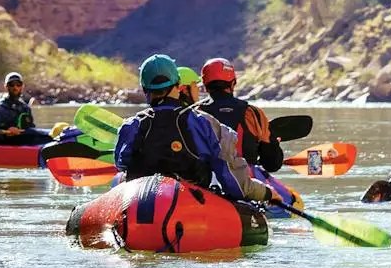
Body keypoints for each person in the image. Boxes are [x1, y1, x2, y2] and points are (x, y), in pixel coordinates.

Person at [114, 54, 282, 205]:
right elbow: (236, 185)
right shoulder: (205, 124)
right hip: (190, 208)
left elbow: (121, 164)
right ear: (178, 85)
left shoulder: (131, 126)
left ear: (144, 89)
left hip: (140, 207)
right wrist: (267, 193)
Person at [198, 57, 284, 172]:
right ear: (233, 83)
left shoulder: (194, 112)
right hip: (246, 182)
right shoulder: (253, 113)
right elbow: (272, 164)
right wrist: (274, 145)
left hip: (206, 182)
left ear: (205, 85)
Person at [0, 71, 52, 145]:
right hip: (4, 144)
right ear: (6, 87)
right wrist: (6, 133)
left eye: (18, 84)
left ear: (22, 86)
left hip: (22, 142)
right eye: (11, 85)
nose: (15, 87)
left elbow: (31, 129)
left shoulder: (25, 108)